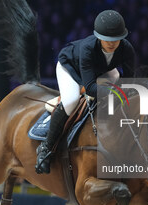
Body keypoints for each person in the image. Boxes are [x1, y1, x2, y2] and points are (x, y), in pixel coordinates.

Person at [35, 10, 136, 174]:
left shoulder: (127, 49)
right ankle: (46, 148)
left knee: (117, 79)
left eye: (115, 39)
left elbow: (130, 81)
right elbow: (90, 88)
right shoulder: (88, 49)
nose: (111, 43)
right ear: (98, 36)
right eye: (106, 39)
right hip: (71, 68)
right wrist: (116, 93)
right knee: (71, 101)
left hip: (101, 70)